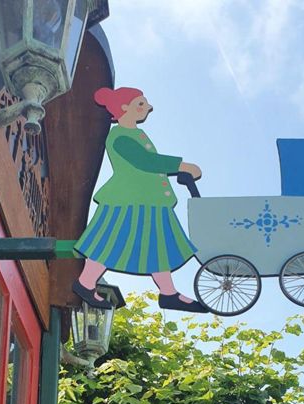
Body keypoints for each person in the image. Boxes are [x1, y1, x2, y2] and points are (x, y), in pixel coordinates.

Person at [72, 86, 207, 313]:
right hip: (128, 200)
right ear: (125, 107)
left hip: (149, 200)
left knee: (157, 243)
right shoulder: (119, 136)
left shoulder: (134, 133)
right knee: (112, 239)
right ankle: (85, 282)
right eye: (141, 104)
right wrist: (181, 165)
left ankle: (168, 292)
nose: (148, 107)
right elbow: (145, 161)